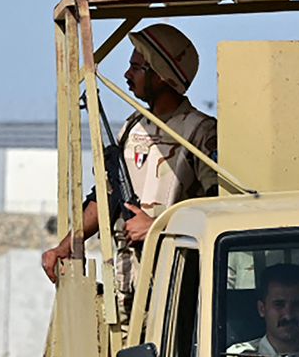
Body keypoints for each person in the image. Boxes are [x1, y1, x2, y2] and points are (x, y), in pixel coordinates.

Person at [39, 24, 218, 315]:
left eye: (136, 67)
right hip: (126, 289)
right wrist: (68, 244)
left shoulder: (200, 132)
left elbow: (218, 206)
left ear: (161, 75)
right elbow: (107, 197)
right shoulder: (133, 127)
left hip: (177, 293)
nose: (127, 76)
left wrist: (157, 227)